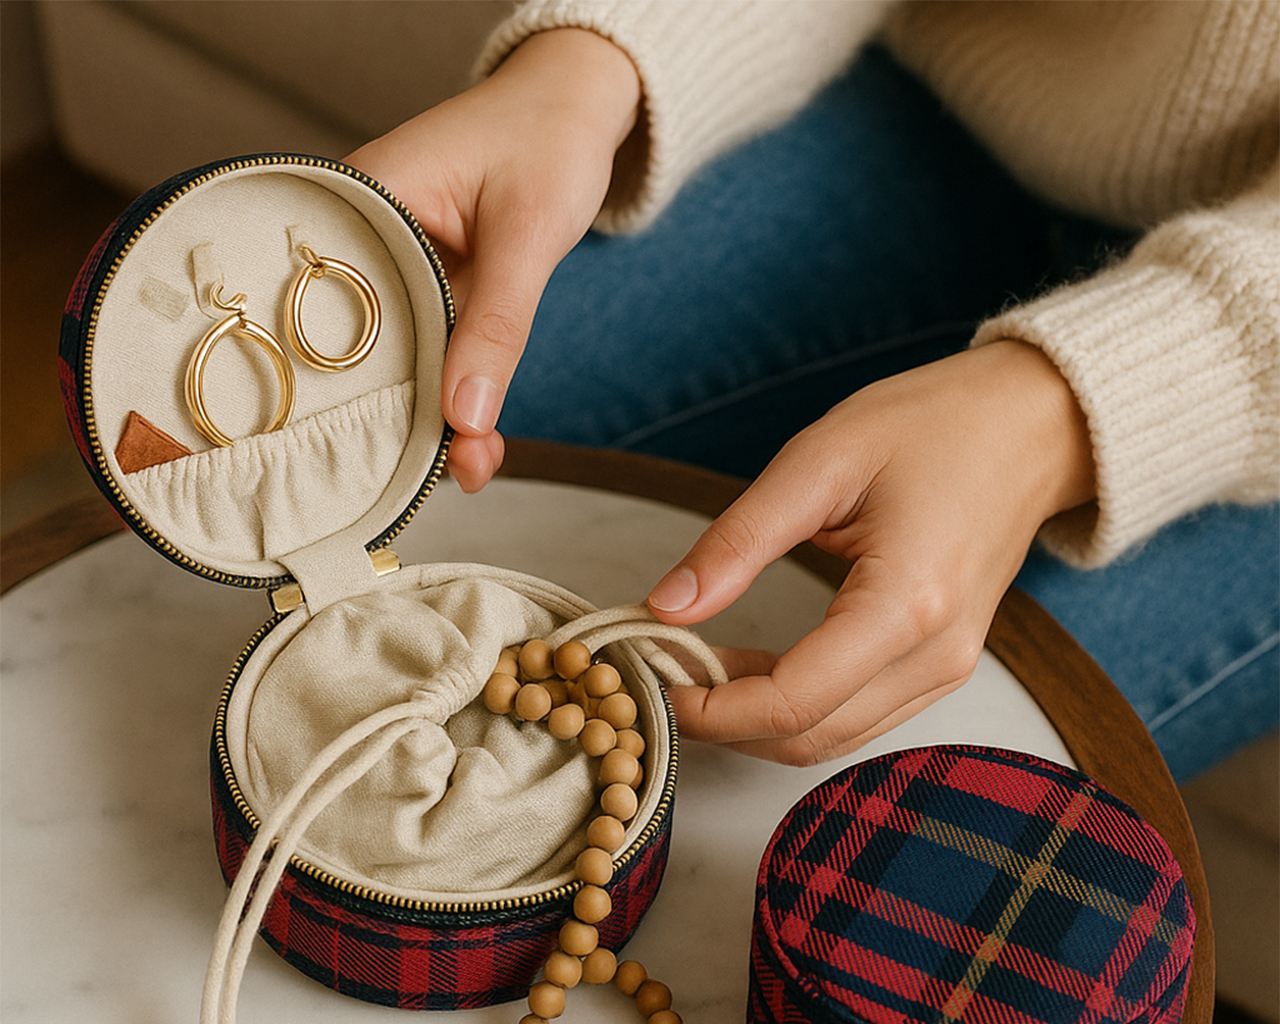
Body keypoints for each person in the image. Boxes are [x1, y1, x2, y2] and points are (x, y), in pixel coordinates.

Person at [347, 0, 1279, 783]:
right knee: (382, 432)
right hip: (956, 115)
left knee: (867, 816)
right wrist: (589, 67)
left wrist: (1058, 419)